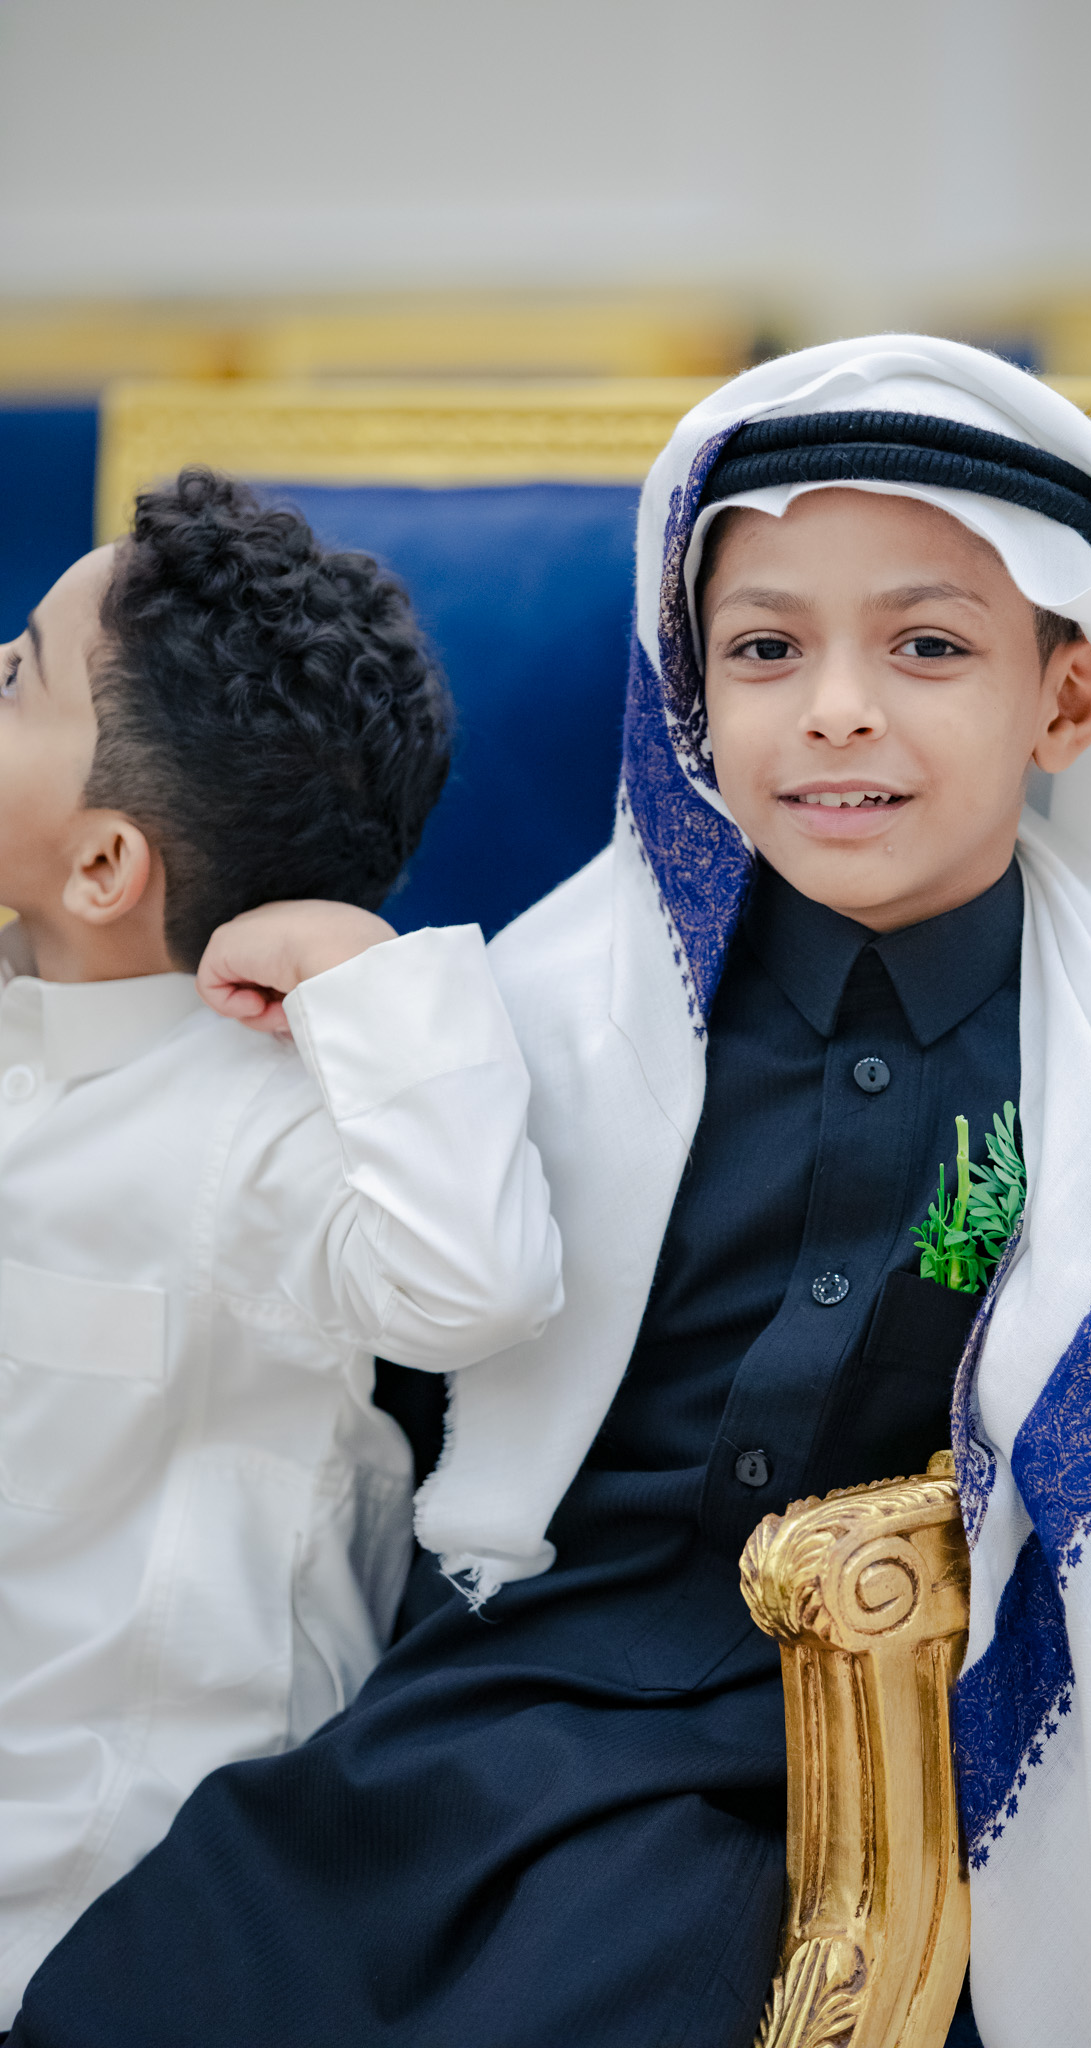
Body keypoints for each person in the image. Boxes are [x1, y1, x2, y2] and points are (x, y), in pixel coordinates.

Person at [10, 343, 1091, 2048]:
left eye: (927, 647)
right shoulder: (562, 1005)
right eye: (765, 650)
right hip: (490, 1683)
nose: (836, 709)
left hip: (819, 1757)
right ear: (694, 700)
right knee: (164, 1975)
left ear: (1067, 702)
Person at [0, 468, 562, 2027]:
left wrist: (364, 982)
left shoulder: (260, 1127)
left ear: (103, 866)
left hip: (116, 1851)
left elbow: (477, 1283)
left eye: (15, 678)